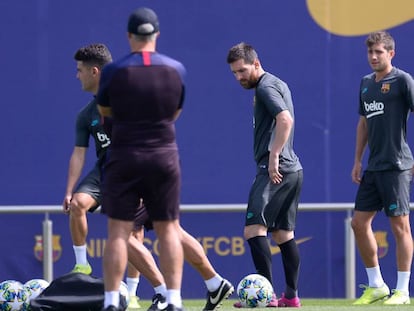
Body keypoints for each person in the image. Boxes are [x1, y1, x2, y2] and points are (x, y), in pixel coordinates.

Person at [97, 7, 186, 311]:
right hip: (163, 155)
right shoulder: (176, 70)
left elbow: (106, 115)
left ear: (129, 36)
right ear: (156, 35)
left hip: (124, 155)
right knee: (168, 228)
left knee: (118, 232)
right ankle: (173, 300)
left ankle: (111, 302)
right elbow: (174, 113)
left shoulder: (112, 72)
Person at [63, 43, 143, 311]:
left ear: (94, 71)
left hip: (133, 170)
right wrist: (69, 189)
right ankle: (81, 264)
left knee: (133, 231)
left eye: (79, 70)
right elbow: (78, 153)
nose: (76, 76)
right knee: (77, 205)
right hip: (103, 172)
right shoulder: (85, 114)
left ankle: (132, 293)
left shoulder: (128, 101)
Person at [226, 42, 303, 308]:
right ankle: (290, 297)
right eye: (235, 73)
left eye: (243, 70)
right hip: (292, 169)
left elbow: (285, 119)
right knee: (283, 235)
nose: (239, 77)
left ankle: (266, 295)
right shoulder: (275, 83)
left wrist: (273, 156)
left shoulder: (266, 87)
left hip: (276, 170)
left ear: (256, 63)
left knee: (253, 229)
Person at [351, 30, 414, 306]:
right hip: (374, 168)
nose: (373, 57)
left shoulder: (402, 81)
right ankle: (377, 284)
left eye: (379, 52)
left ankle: (402, 290)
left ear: (391, 54)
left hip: (397, 165)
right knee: (358, 223)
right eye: (370, 52)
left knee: (399, 226)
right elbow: (363, 123)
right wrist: (357, 160)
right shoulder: (366, 83)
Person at [127, 205, 234, 311]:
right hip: (152, 189)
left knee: (122, 233)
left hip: (145, 188)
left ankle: (164, 293)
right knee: (170, 229)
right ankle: (215, 283)